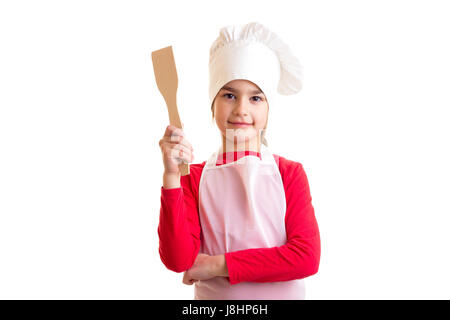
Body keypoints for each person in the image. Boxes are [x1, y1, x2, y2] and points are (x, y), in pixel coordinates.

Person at [158, 22, 320, 300]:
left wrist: (217, 265)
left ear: (269, 110)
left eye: (256, 98)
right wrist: (172, 177)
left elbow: (306, 258)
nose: (241, 110)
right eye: (229, 95)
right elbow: (178, 260)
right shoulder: (192, 178)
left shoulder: (289, 174)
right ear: (213, 104)